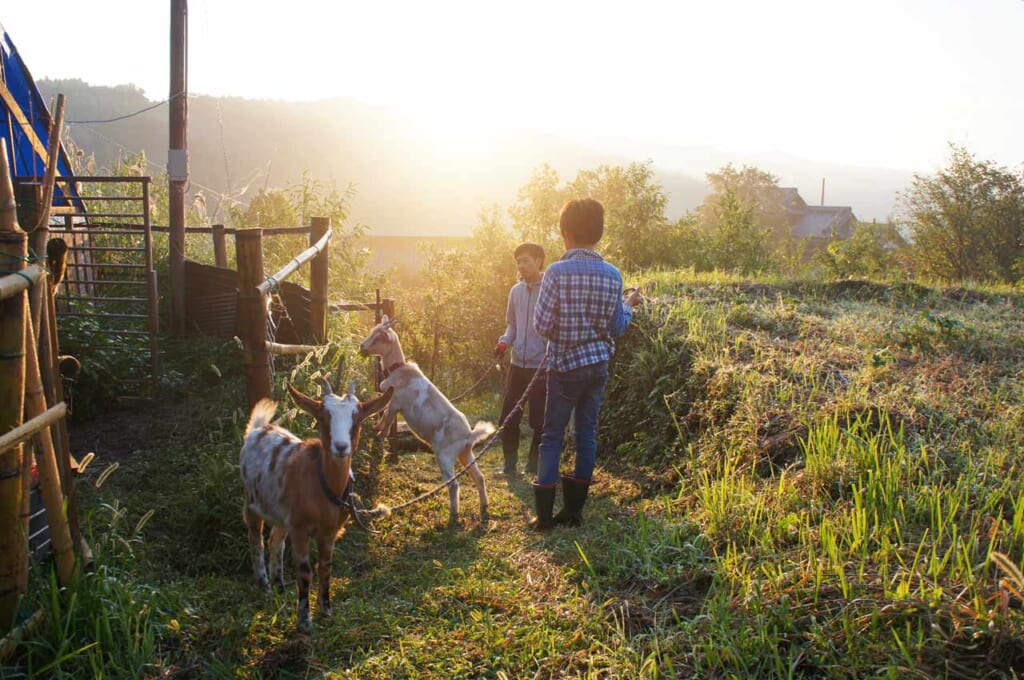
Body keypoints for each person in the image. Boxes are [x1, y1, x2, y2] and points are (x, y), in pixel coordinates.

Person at [530, 198, 642, 531]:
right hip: (598, 366)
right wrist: (629, 305)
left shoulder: (556, 272)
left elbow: (542, 324)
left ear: (565, 232)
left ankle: (546, 517)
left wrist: (564, 332)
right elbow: (618, 326)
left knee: (552, 436)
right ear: (599, 232)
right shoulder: (613, 275)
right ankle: (574, 512)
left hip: (564, 367)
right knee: (586, 435)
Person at [494, 243, 547, 477]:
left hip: (541, 367)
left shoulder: (550, 289)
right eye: (518, 261)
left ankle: (534, 466)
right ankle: (509, 465)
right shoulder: (515, 291)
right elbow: (512, 325)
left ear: (538, 261)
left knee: (539, 420)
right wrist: (504, 342)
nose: (521, 266)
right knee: (508, 416)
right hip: (518, 364)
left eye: (525, 260)